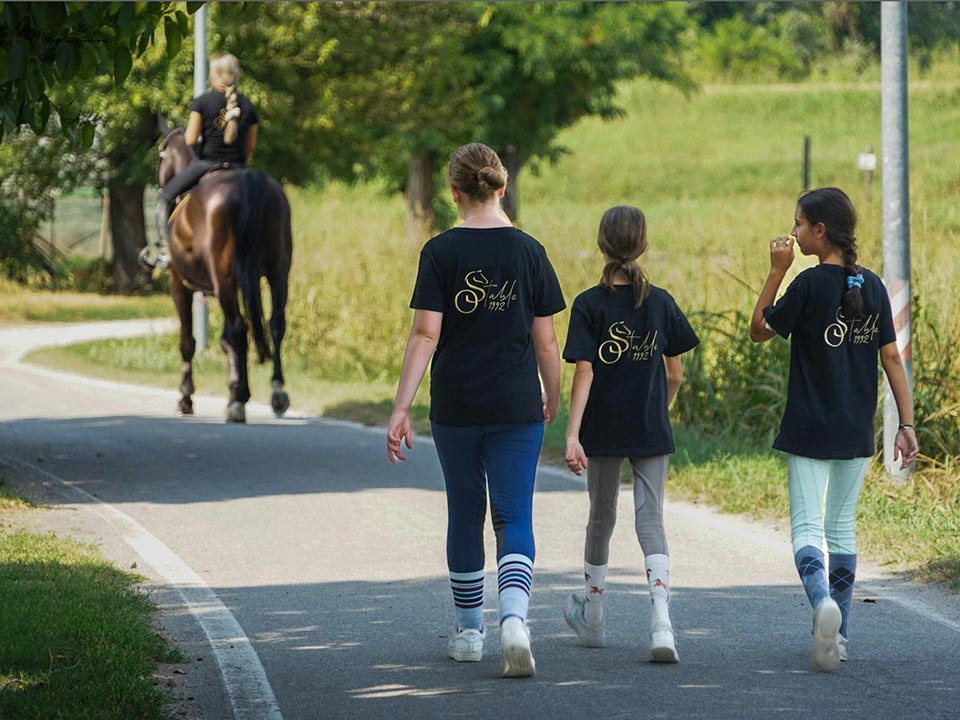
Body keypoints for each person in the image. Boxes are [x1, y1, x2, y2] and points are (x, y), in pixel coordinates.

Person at [387, 143, 565, 678]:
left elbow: (425, 334)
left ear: (454, 192)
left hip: (457, 405)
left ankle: (469, 632)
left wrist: (401, 407)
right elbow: (546, 343)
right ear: (502, 187)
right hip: (516, 405)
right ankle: (514, 619)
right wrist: (552, 395)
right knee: (514, 515)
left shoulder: (440, 252)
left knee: (466, 512)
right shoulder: (529, 251)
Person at [749, 187, 918, 671]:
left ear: (820, 231)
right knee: (841, 528)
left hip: (808, 428)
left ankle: (821, 602)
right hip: (855, 429)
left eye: (799, 224)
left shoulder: (806, 285)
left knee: (806, 527)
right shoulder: (874, 286)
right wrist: (906, 424)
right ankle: (838, 635)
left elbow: (759, 329)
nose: (794, 232)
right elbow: (891, 358)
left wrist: (777, 270)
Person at [561, 205, 699, 663]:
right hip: (649, 426)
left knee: (601, 517)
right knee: (651, 519)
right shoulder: (659, 301)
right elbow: (675, 374)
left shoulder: (588, 304)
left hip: (602, 427)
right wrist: (658, 412)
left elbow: (585, 369)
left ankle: (594, 618)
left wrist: (573, 433)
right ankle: (661, 622)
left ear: (602, 244)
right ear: (643, 245)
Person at [140, 52, 259, 269]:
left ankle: (165, 253)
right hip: (240, 169)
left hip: (206, 165)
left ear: (214, 74)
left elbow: (190, 139)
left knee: (164, 199)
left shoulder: (203, 102)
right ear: (235, 74)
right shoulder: (248, 106)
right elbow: (250, 148)